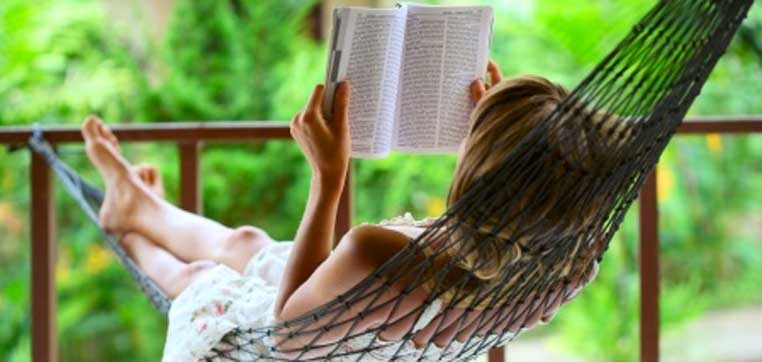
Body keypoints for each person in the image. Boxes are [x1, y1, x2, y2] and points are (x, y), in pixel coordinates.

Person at [81, 61, 598, 361]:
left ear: (482, 168)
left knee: (200, 276)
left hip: (291, 348)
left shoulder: (377, 250)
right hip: (360, 331)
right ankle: (138, 206)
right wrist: (495, 144)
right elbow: (534, 192)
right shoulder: (567, 261)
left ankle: (128, 233)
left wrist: (328, 178)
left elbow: (286, 331)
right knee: (245, 243)